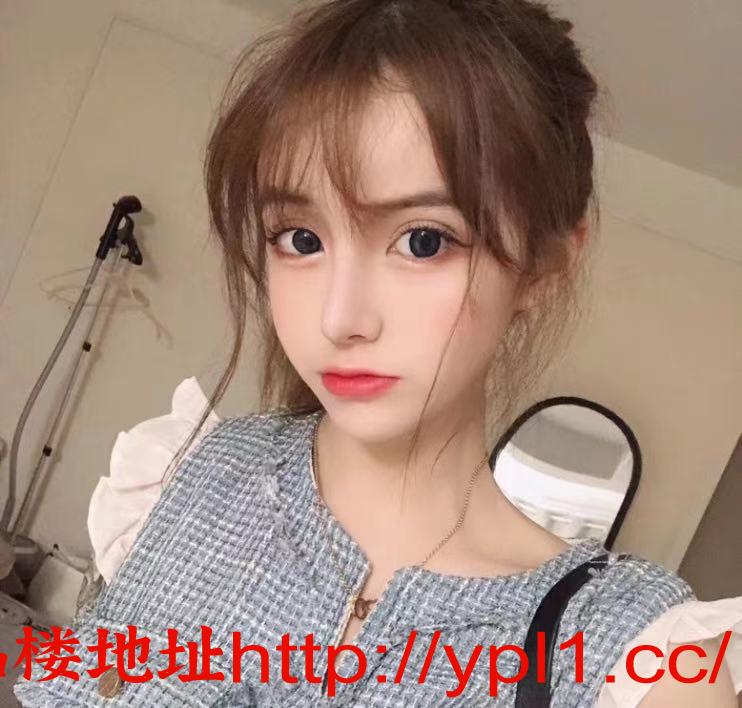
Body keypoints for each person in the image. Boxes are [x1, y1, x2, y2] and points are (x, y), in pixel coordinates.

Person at [14, 0, 740, 705]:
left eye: (423, 241)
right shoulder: (180, 483)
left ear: (543, 267)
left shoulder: (639, 666)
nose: (340, 317)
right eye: (301, 239)